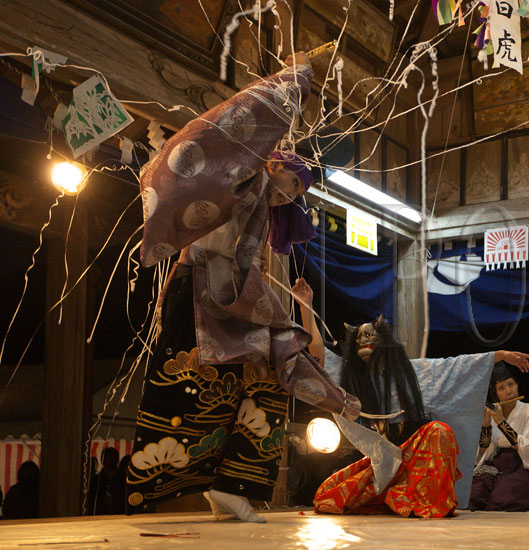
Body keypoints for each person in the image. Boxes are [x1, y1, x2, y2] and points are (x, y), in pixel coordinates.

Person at [127, 52, 361, 523]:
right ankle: (220, 486)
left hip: (225, 296)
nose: (288, 195)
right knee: (193, 389)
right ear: (273, 162)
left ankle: (228, 487)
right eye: (291, 183)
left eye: (295, 194)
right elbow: (216, 252)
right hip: (200, 293)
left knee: (264, 380)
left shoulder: (256, 196)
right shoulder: (241, 181)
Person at [290, 279, 529, 512]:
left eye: (370, 335)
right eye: (360, 338)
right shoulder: (349, 378)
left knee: (439, 431)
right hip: (383, 464)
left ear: (385, 342)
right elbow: (318, 355)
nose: (364, 340)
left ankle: (418, 498)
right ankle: (395, 496)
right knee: (329, 496)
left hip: (416, 463)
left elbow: (453, 367)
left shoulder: (412, 373)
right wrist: (305, 305)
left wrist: (498, 355)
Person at [470, 362, 529, 511]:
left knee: (502, 498)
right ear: (495, 394)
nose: (509, 391)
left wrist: (501, 423)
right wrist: (486, 426)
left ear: (517, 385)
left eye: (511, 384)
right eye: (501, 388)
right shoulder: (494, 413)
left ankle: (493, 498)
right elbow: (483, 453)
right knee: (472, 493)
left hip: (523, 468)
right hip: (498, 467)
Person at [88, 447, 120, 515]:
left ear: (117, 459)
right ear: (103, 460)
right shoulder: (96, 479)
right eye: (109, 458)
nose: (111, 460)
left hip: (118, 512)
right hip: (100, 512)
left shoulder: (122, 478)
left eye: (113, 458)